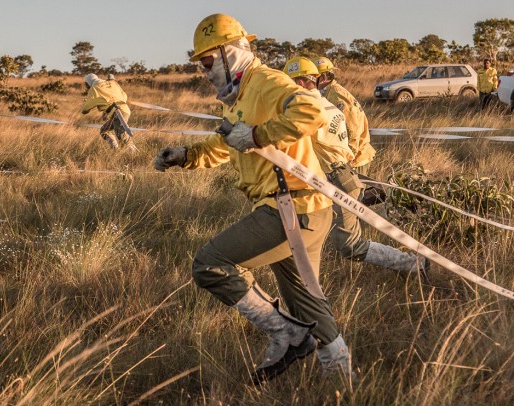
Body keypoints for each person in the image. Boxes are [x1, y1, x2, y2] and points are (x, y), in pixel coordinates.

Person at [153, 14, 351, 383]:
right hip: (301, 208)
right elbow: (228, 142)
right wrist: (187, 155)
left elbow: (312, 110)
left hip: (291, 208)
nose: (205, 72)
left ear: (230, 53)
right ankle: (345, 387)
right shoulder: (239, 95)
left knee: (209, 265)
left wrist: (260, 135)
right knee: (307, 304)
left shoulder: (268, 82)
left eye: (209, 62)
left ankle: (286, 334)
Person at [312, 57, 427, 274]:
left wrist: (348, 159)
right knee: (352, 206)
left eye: (314, 78)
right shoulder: (328, 94)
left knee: (353, 206)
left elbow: (353, 129)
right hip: (347, 160)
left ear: (324, 77)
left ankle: (376, 241)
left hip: (352, 160)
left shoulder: (337, 97)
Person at [81, 73, 137, 150]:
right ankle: (115, 149)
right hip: (124, 110)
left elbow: (85, 109)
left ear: (87, 83)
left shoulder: (94, 88)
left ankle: (133, 154)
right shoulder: (112, 83)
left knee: (122, 136)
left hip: (118, 113)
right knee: (104, 131)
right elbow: (124, 96)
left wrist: (85, 105)